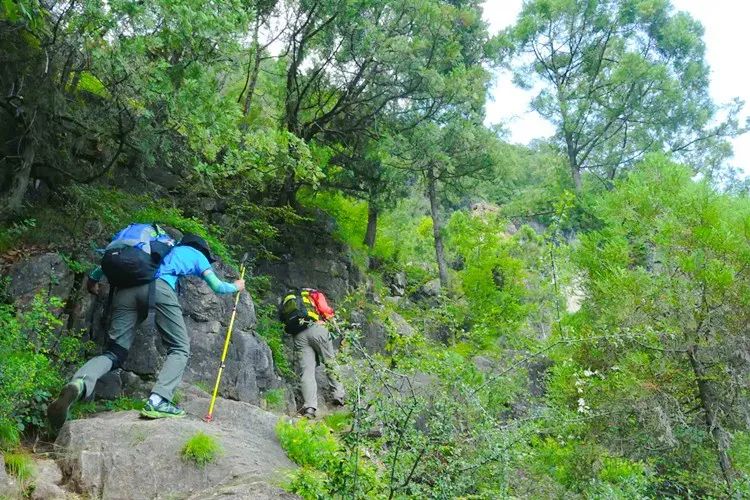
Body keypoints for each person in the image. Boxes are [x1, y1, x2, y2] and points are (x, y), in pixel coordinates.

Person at [47, 232, 244, 431]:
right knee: (180, 347)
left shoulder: (152, 249)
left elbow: (101, 270)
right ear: (201, 248)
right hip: (159, 288)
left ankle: (79, 384)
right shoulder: (196, 254)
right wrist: (236, 286)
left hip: (126, 290)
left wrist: (93, 282)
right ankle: (159, 400)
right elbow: (218, 287)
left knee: (115, 352)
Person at [279, 288, 345, 419]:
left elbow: (282, 319)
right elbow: (326, 311)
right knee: (330, 361)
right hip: (316, 328)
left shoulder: (288, 300)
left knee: (307, 371)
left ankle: (310, 407)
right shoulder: (313, 294)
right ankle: (338, 394)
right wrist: (337, 329)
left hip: (299, 335)